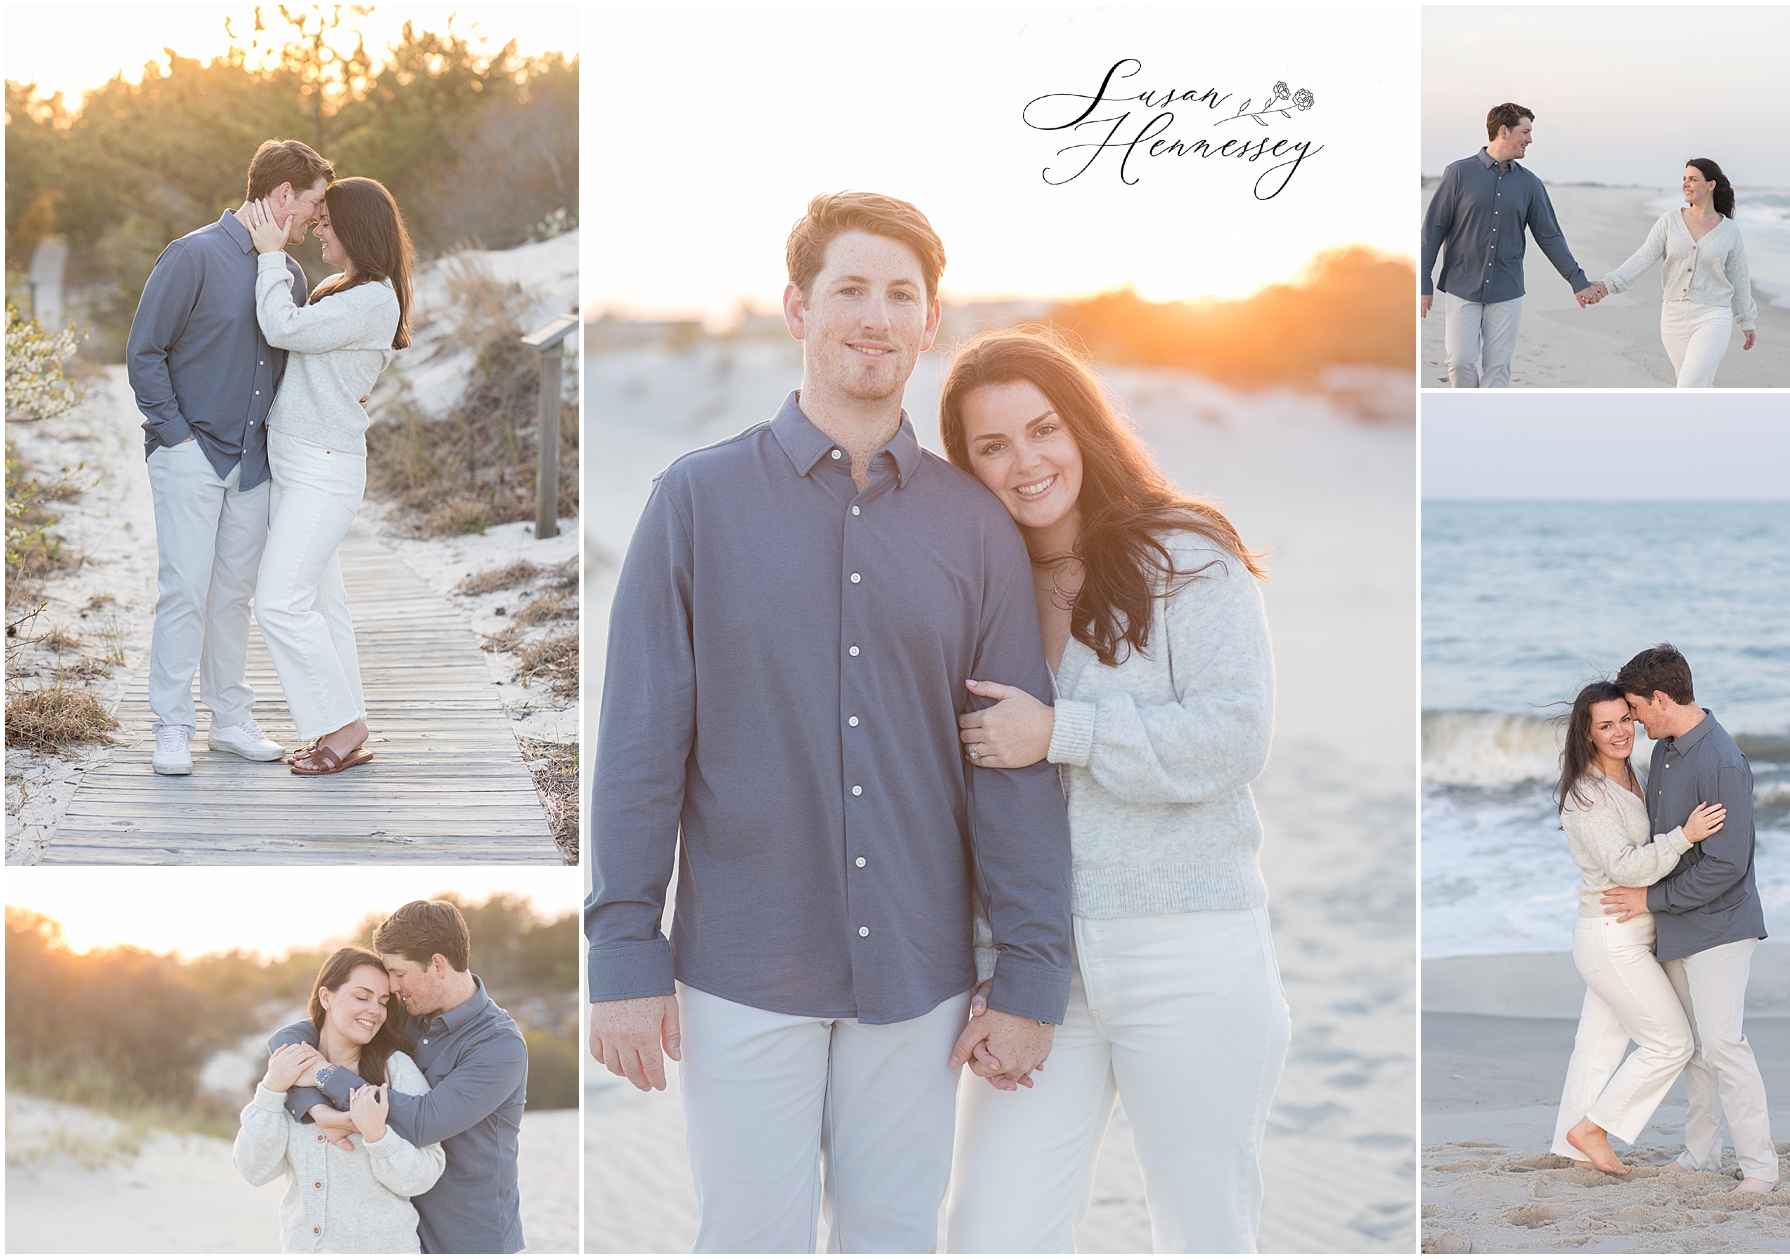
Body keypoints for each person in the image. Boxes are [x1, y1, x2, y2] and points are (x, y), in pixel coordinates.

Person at [586, 191, 1073, 1253]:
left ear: (928, 322)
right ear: (796, 310)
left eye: (901, 294)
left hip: (918, 973)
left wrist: (1033, 972)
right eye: (849, 288)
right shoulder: (695, 502)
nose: (876, 314)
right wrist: (622, 950)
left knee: (894, 1238)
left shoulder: (976, 526)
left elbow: (1011, 767)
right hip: (740, 968)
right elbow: (636, 750)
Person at [937, 329, 1291, 1253]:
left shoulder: (1188, 553)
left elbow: (1233, 737)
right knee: (989, 1233)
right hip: (1040, 974)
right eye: (992, 446)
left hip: (1191, 954)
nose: (1026, 463)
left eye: (1043, 429)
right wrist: (993, 958)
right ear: (965, 465)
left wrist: (1063, 731)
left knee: (1204, 1234)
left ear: (1083, 427)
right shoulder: (977, 586)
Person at [127, 139, 329, 775]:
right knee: (184, 589)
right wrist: (176, 436)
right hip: (190, 453)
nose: (317, 220)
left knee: (232, 597)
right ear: (280, 197)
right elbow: (144, 352)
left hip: (252, 465)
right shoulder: (192, 256)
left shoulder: (289, 276)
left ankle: (229, 718)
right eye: (314, 205)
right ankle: (172, 726)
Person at [242, 177, 413, 775]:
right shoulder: (347, 290)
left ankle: (341, 728)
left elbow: (282, 329)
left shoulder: (370, 300)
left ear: (356, 228)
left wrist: (268, 258)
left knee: (280, 603)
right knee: (320, 603)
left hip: (323, 470)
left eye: (326, 220)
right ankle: (348, 725)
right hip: (302, 463)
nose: (317, 227)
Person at [1600, 644, 1777, 1194]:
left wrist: (1650, 901)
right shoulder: (1669, 750)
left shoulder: (1720, 760)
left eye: (1634, 707)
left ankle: (1761, 1170)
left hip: (1721, 925)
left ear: (1660, 698)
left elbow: (1726, 864)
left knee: (1724, 1046)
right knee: (1697, 1049)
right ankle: (1700, 1154)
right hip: (1679, 926)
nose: (1631, 719)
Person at [269, 900, 530, 1253]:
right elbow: (289, 1038)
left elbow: (423, 1121)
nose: (391, 987)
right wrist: (317, 1110)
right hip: (398, 1232)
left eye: (399, 973)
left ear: (438, 964)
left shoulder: (499, 1045)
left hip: (467, 1237)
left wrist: (324, 1074)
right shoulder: (404, 1013)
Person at [1546, 681, 1725, 1176]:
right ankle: (1593, 1130)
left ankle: (1575, 1151)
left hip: (1629, 933)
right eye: (1606, 726)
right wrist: (1684, 837)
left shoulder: (1631, 774)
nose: (1622, 732)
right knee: (1671, 1044)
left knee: (1597, 1047)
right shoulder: (1588, 794)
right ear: (1587, 735)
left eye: (1625, 718)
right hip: (1611, 935)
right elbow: (1626, 867)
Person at [234, 948, 445, 1253]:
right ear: (326, 997)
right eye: (363, 997)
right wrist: (271, 1089)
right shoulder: (289, 1069)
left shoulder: (395, 1068)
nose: (375, 1010)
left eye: (383, 1002)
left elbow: (425, 1174)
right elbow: (254, 1170)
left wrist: (378, 1137)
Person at [1420, 102, 1599, 387]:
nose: (1530, 139)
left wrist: (1578, 281)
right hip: (1461, 285)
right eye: (1525, 132)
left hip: (1507, 289)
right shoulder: (1458, 174)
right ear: (1503, 132)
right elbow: (1434, 228)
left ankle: (1490, 426)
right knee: (1460, 361)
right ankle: (1466, 417)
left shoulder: (1530, 184)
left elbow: (1549, 236)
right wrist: (1423, 281)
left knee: (1499, 366)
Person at [1583, 159, 1756, 387]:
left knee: (1688, 385)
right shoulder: (1670, 221)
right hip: (1673, 317)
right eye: (1684, 179)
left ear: (1711, 184)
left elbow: (1739, 277)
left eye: (1693, 179)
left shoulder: (1729, 230)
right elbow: (1642, 258)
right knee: (1696, 386)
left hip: (1713, 316)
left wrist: (1746, 320)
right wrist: (1608, 285)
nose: (1686, 184)